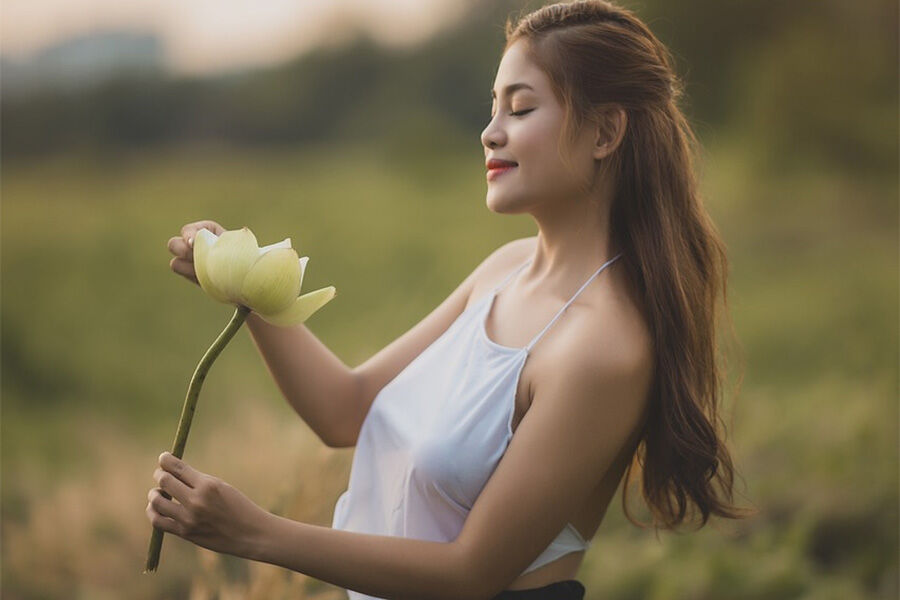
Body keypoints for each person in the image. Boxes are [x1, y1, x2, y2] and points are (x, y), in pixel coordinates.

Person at [153, 1, 752, 598]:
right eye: (493, 107)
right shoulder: (506, 268)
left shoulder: (604, 347)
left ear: (605, 132)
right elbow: (346, 409)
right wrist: (245, 283)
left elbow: (471, 574)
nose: (490, 132)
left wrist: (257, 533)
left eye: (520, 108)